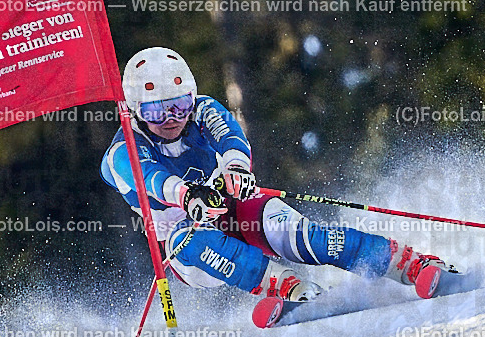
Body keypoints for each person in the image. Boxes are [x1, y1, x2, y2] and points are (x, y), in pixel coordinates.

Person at [101, 47, 450, 302]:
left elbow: (230, 135)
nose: (171, 118)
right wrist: (186, 195)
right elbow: (149, 177)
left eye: (179, 105)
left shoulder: (203, 110)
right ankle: (286, 286)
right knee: (184, 240)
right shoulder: (123, 151)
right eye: (156, 111)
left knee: (295, 231)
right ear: (134, 110)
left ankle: (407, 263)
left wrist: (236, 168)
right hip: (192, 247)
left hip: (233, 212)